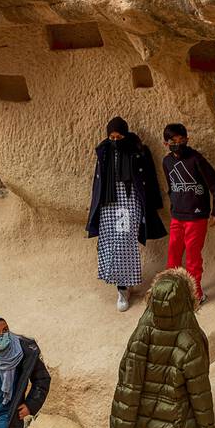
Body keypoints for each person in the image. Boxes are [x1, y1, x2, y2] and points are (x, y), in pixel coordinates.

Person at [110, 267, 215, 428]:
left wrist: (124, 423)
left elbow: (129, 379)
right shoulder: (191, 339)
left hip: (146, 418)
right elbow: (199, 392)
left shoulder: (143, 330)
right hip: (176, 423)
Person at [86, 116, 167, 311]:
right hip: (108, 202)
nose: (115, 140)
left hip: (129, 200)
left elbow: (150, 177)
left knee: (124, 241)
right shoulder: (104, 150)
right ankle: (121, 283)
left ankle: (123, 288)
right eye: (112, 136)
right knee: (110, 242)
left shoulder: (138, 150)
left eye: (119, 136)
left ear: (126, 134)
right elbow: (98, 181)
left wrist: (154, 203)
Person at [162, 123, 215, 303]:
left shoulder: (196, 159)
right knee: (173, 253)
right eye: (174, 141)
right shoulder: (166, 161)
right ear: (166, 143)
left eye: (182, 140)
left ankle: (195, 293)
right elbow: (171, 186)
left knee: (193, 257)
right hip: (177, 216)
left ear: (187, 140)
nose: (178, 144)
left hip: (196, 216)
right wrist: (174, 206)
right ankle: (170, 289)